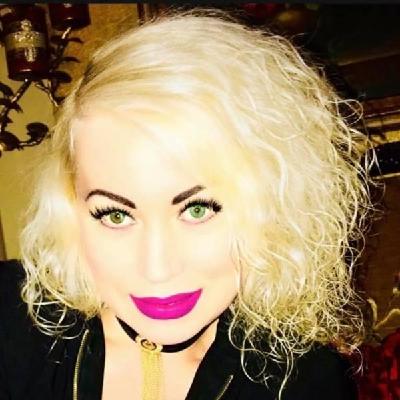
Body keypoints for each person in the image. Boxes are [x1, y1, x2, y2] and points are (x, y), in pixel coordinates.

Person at [0, 9, 370, 400]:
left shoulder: (302, 383)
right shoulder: (11, 320)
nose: (157, 270)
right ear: (70, 209)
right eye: (116, 215)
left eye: (198, 210)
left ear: (272, 208)